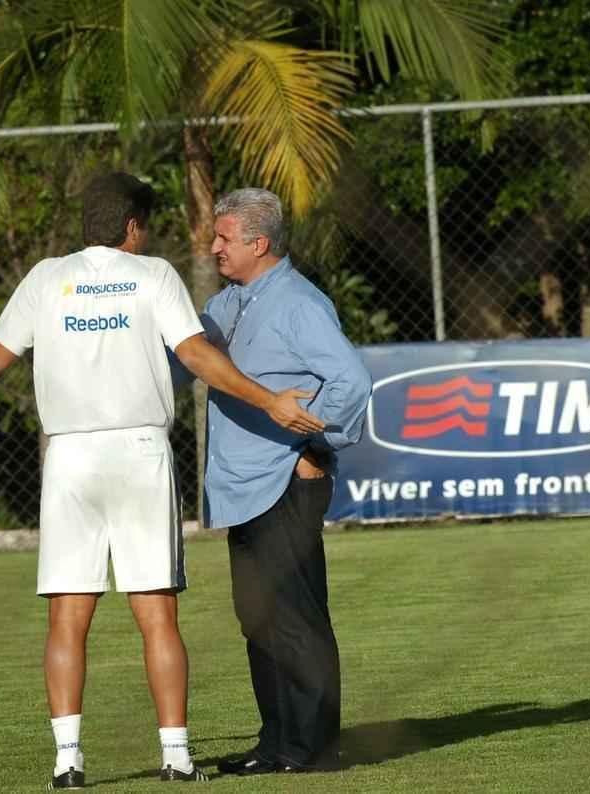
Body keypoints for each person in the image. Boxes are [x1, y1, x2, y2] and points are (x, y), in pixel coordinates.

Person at [0, 173, 324, 788]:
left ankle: (68, 763)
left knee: (68, 618)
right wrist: (268, 400)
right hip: (139, 451)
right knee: (157, 617)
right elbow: (197, 357)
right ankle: (176, 757)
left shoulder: (46, 278)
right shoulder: (153, 276)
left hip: (68, 459)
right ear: (132, 228)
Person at [196, 188, 372, 775]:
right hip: (241, 486)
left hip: (285, 483)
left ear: (258, 243)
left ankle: (315, 749)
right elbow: (183, 355)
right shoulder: (227, 305)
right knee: (258, 618)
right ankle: (276, 745)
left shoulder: (299, 302)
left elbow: (351, 380)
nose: (214, 246)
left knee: (295, 619)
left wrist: (314, 444)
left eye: (224, 238)